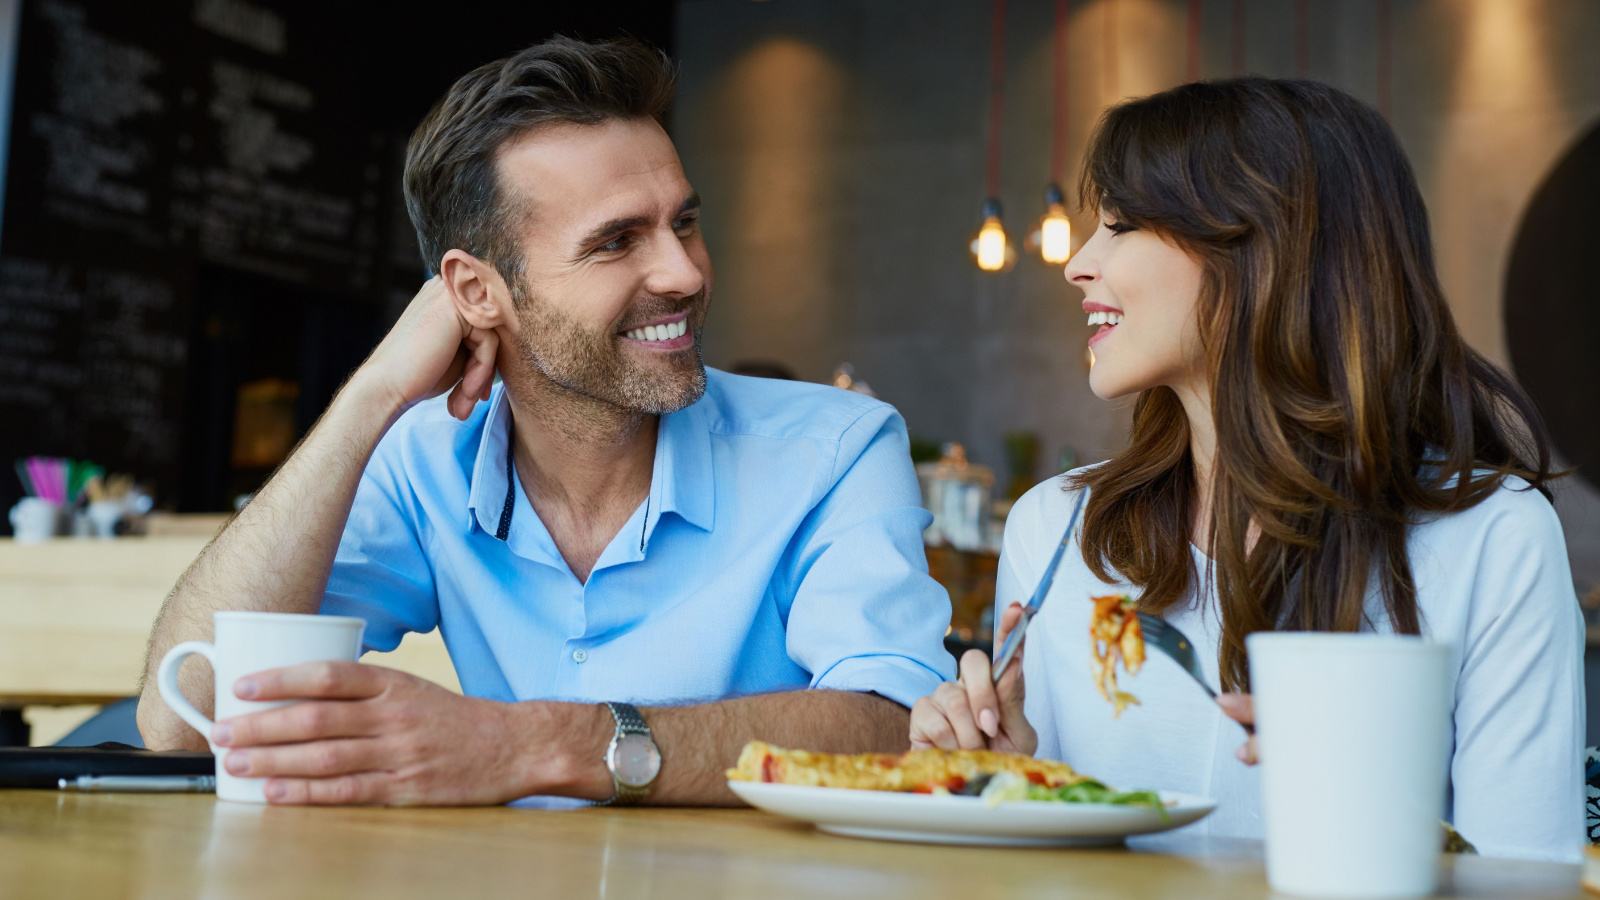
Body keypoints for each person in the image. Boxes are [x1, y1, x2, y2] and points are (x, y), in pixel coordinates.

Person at [136, 37, 954, 806]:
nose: (683, 272)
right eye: (616, 242)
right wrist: (373, 394)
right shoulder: (422, 461)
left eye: (684, 223)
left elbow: (895, 727)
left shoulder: (838, 448)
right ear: (476, 293)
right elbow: (185, 719)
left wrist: (527, 745)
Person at [908, 78, 1584, 862]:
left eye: (1121, 226)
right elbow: (1052, 853)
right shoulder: (1058, 528)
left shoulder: (1494, 540)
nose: (1077, 265)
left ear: (1263, 250)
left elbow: (1527, 880)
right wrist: (996, 779)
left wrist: (1369, 800)